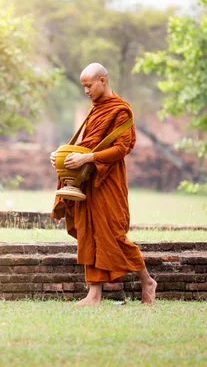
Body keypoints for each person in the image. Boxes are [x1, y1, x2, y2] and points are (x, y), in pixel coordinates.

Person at [50, 63, 157, 306]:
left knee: (113, 234)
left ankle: (148, 281)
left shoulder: (121, 110)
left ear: (102, 81)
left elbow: (122, 148)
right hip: (88, 179)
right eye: (83, 87)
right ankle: (94, 295)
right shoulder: (95, 109)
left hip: (108, 179)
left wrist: (87, 158)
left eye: (88, 86)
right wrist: (60, 155)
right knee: (89, 231)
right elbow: (86, 143)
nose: (86, 91)